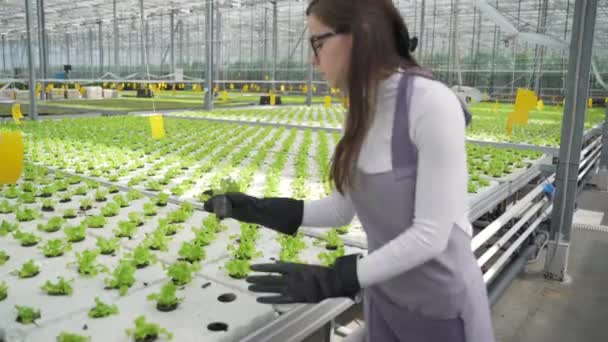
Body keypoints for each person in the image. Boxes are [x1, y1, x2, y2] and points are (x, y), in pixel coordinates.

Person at [204, 0, 495, 341]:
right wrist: (256, 208)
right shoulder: (359, 113)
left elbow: (431, 236)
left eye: (318, 42)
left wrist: (337, 277)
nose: (313, 60)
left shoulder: (431, 104)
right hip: (383, 295)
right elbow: (341, 209)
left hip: (441, 307)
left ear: (359, 36)